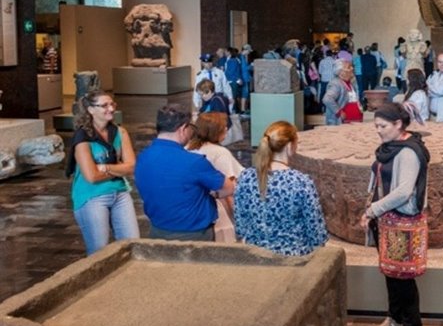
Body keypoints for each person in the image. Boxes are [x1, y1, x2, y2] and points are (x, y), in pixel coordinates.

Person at [364, 103, 431, 326]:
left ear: (398, 125)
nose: (378, 131)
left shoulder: (409, 152)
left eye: (383, 126)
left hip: (403, 220)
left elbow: (404, 191)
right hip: (388, 218)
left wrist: (373, 209)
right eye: (376, 126)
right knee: (390, 272)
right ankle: (395, 318)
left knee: (403, 278)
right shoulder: (390, 147)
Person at [135, 105, 235, 241]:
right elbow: (229, 187)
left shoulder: (143, 157)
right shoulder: (194, 162)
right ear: (183, 129)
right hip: (193, 235)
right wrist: (212, 194)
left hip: (157, 230)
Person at [234, 121, 328, 256]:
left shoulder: (246, 177)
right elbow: (316, 233)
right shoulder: (300, 182)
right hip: (293, 259)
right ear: (290, 146)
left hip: (255, 257)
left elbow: (240, 226)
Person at [67, 90, 140, 255]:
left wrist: (106, 168)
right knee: (99, 251)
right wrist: (118, 168)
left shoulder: (120, 132)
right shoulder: (82, 137)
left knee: (133, 244)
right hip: (92, 197)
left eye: (112, 104)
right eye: (104, 105)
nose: (111, 109)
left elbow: (132, 167)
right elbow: (92, 176)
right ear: (91, 110)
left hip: (120, 193)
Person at [187, 112, 244, 242]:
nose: (226, 128)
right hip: (220, 212)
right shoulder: (220, 153)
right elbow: (229, 191)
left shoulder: (187, 149)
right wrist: (238, 220)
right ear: (214, 131)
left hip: (195, 209)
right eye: (223, 126)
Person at [322, 59, 363, 125]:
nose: (352, 68)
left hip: (354, 122)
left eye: (351, 66)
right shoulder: (336, 83)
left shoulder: (351, 82)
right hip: (342, 123)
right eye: (349, 67)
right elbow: (327, 99)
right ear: (341, 72)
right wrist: (339, 112)